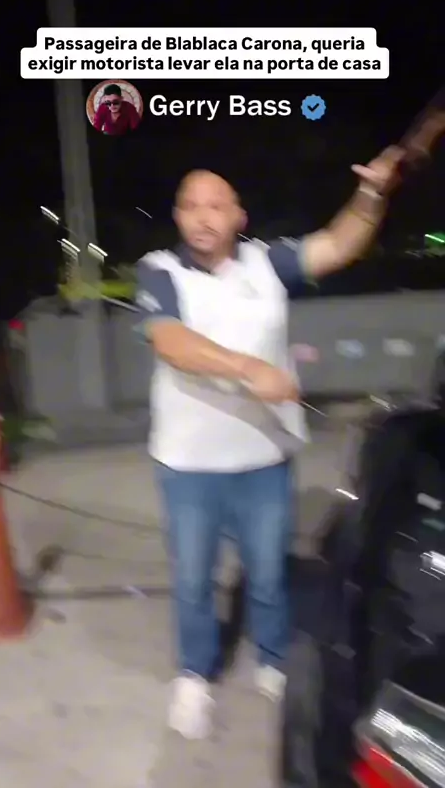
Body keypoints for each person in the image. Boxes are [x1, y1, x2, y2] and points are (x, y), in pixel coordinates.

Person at [135, 149, 405, 740]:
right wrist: (249, 369)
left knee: (266, 572)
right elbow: (171, 342)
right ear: (177, 217)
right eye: (190, 205)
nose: (202, 216)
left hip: (265, 458)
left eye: (216, 205)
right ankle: (194, 675)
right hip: (189, 463)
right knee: (193, 578)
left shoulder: (266, 263)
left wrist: (372, 194)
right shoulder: (160, 271)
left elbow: (340, 244)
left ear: (239, 216)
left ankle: (273, 659)